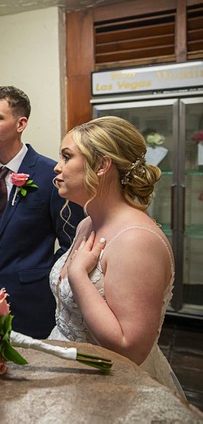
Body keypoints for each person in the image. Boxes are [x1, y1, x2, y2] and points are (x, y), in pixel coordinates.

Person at [49, 115, 184, 395]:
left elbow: (129, 348)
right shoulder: (87, 223)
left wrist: (77, 276)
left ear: (101, 165)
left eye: (66, 156)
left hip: (112, 385)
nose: (57, 167)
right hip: (69, 368)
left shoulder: (136, 240)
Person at [0, 86, 83, 339]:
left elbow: (71, 243)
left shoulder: (52, 174)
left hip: (30, 299)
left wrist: (44, 274)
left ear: (21, 123)